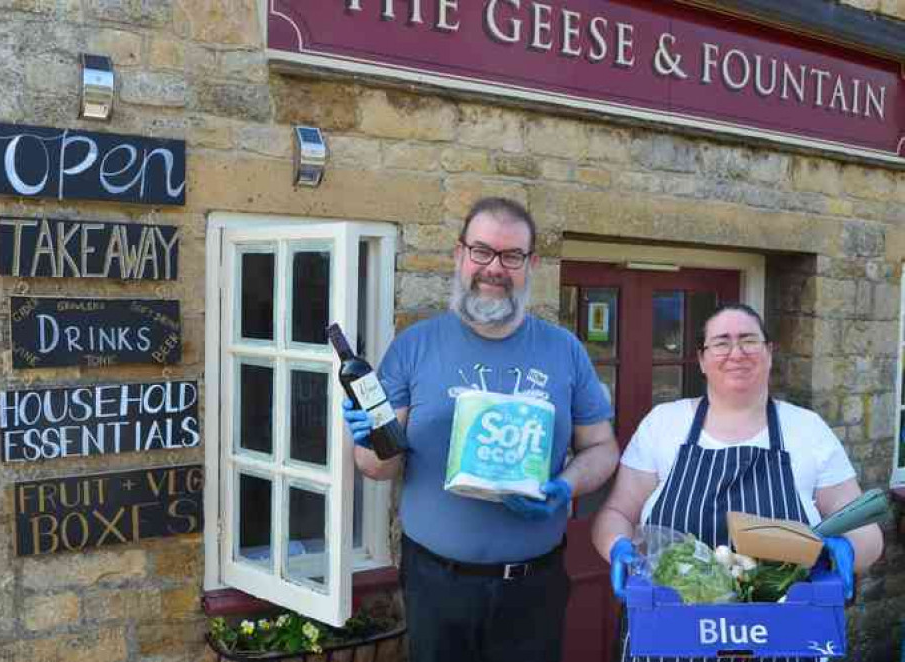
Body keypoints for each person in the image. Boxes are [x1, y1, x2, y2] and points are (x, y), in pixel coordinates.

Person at [341, 197, 619, 662]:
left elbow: (602, 448)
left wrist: (564, 486)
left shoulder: (564, 350)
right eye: (482, 251)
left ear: (530, 264)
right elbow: (376, 468)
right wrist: (370, 436)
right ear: (460, 255)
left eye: (511, 256)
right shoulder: (414, 347)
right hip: (436, 585)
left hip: (534, 588)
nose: (495, 268)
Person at [592, 303, 884, 662]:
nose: (736, 353)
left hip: (784, 638)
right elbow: (617, 511)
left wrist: (848, 550)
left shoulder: (807, 430)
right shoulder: (663, 425)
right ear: (701, 359)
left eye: (749, 340)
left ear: (769, 352)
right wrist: (617, 548)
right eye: (721, 342)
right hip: (670, 633)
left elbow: (865, 530)